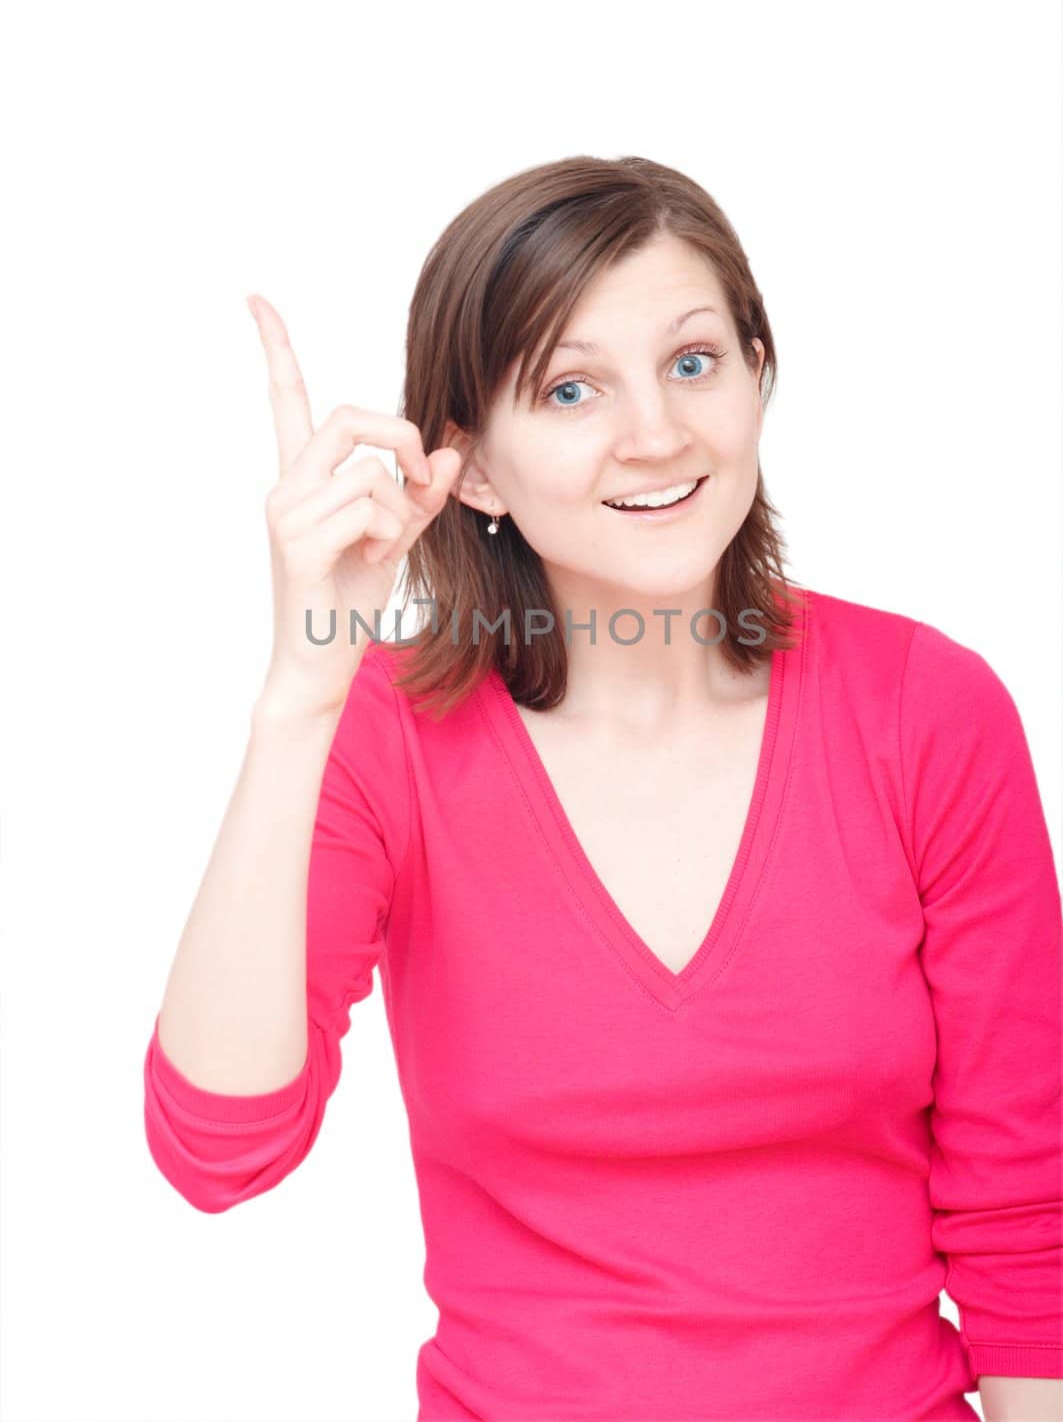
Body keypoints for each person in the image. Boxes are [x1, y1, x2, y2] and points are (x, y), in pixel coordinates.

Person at [142, 156, 1062, 1422]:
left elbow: (1026, 1209)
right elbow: (220, 1151)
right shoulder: (386, 737)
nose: (654, 434)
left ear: (755, 371)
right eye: (570, 388)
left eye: (693, 362)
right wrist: (303, 690)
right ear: (466, 469)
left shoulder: (926, 710)